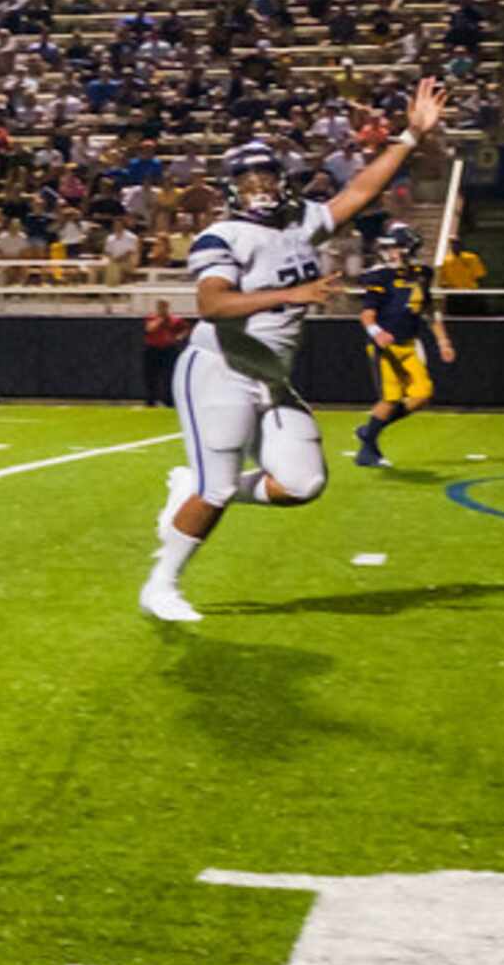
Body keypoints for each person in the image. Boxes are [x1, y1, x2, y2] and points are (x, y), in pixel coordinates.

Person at [142, 82, 444, 623]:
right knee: (213, 491)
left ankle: (204, 486)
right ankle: (162, 585)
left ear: (281, 181)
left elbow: (359, 193)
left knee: (304, 483)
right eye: (246, 180)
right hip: (219, 370)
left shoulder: (300, 221)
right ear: (229, 189)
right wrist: (289, 294)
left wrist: (411, 136)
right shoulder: (221, 236)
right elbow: (211, 304)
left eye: (264, 177)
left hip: (270, 376)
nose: (257, 188)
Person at [353, 221, 454, 468]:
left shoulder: (421, 274)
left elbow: (429, 309)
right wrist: (377, 333)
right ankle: (367, 450)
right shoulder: (379, 276)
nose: (390, 252)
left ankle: (370, 430)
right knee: (390, 398)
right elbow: (366, 315)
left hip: (409, 344)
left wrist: (443, 340)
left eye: (396, 247)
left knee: (421, 395)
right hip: (385, 348)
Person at [140, 298, 189, 408]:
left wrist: (179, 337)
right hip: (152, 349)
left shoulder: (175, 320)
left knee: (169, 376)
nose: (162, 308)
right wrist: (160, 319)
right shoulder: (152, 318)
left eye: (164, 306)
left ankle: (169, 401)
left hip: (168, 349)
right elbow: (149, 329)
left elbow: (184, 329)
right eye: (160, 306)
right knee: (151, 376)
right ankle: (151, 401)